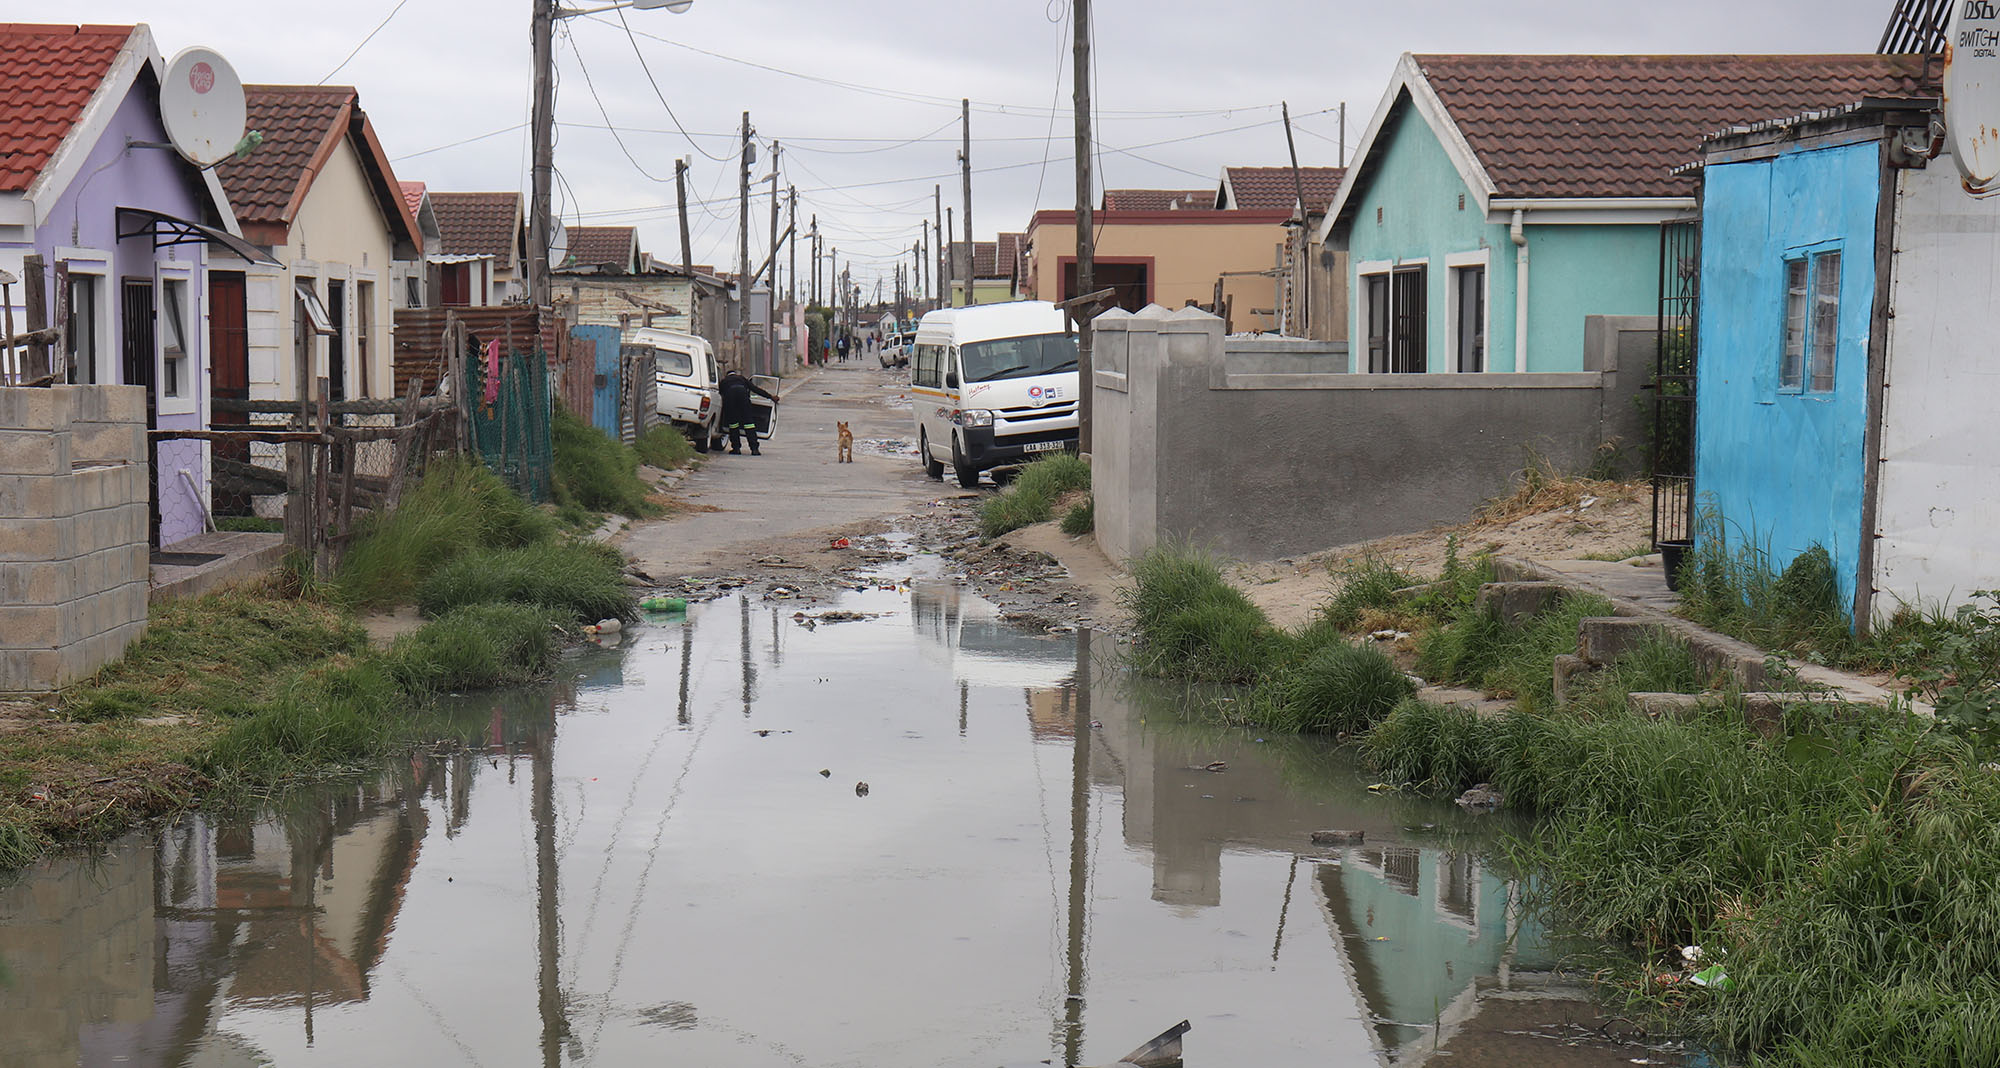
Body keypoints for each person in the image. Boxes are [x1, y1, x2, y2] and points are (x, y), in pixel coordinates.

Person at [718, 368, 777, 455]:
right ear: (735, 374)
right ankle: (754, 449)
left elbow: (720, 394)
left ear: (727, 375)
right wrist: (770, 397)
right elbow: (755, 389)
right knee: (749, 424)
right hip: (744, 399)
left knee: (733, 424)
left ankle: (736, 449)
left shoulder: (724, 381)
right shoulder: (742, 378)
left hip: (730, 400)